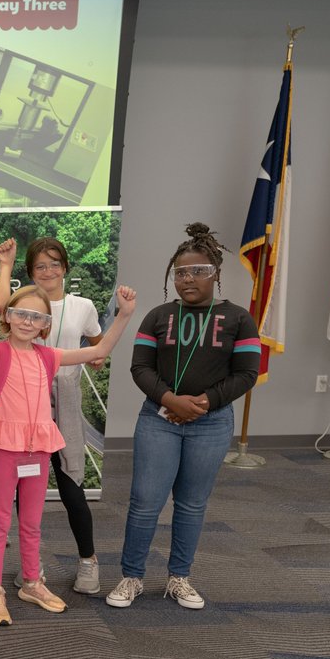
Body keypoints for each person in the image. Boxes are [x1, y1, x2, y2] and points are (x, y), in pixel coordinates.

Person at [0, 265, 136, 626]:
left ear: (45, 324)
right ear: (9, 317)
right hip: (8, 449)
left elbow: (100, 349)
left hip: (39, 449)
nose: (28, 322)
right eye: (21, 314)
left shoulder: (49, 356)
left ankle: (31, 581)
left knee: (31, 523)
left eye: (37, 317)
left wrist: (123, 316)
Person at [106, 223, 258, 611]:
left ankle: (179, 577)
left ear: (216, 274)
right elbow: (140, 368)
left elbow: (246, 373)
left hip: (212, 423)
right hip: (159, 419)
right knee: (145, 502)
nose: (188, 278)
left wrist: (202, 403)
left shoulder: (239, 319)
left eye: (198, 271)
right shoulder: (157, 316)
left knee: (191, 504)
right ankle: (132, 577)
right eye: (181, 272)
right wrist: (171, 401)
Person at [0, 236, 108, 594]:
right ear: (31, 271)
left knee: (72, 482)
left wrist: (95, 354)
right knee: (23, 489)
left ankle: (88, 561)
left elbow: (97, 344)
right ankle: (32, 566)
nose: (48, 271)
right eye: (40, 265)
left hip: (65, 396)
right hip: (24, 401)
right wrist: (5, 265)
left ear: (65, 267)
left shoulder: (83, 305)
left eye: (55, 263)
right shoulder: (26, 305)